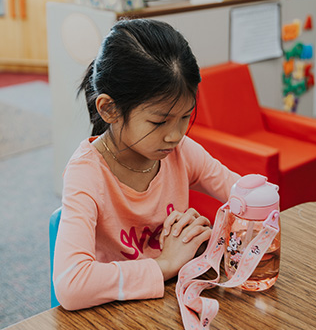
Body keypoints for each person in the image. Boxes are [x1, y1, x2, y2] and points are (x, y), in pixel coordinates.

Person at [53, 18, 240, 311]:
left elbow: (241, 193)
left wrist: (212, 236)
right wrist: (165, 263)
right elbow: (71, 285)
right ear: (109, 109)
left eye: (184, 117)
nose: (175, 135)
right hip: (113, 312)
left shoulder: (180, 151)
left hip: (170, 302)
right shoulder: (86, 174)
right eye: (160, 121)